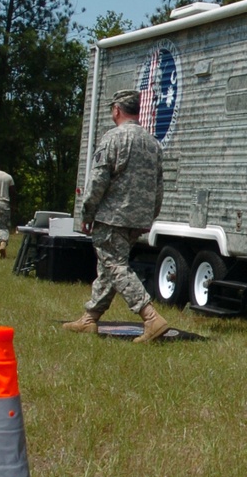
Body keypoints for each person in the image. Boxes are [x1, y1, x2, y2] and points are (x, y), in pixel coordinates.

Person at [62, 88, 169, 343]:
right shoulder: (153, 144)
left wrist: (87, 212)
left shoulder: (113, 138)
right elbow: (159, 187)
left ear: (117, 110)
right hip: (138, 218)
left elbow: (98, 180)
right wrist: (149, 217)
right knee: (108, 268)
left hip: (113, 217)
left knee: (115, 266)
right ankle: (90, 318)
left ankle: (151, 317)